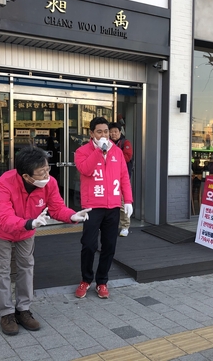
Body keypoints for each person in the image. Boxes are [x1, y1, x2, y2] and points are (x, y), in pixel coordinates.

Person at [0, 146, 91, 336]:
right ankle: (6, 313)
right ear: (26, 176)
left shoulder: (49, 183)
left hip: (27, 230)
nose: (46, 174)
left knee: (26, 267)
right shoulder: (5, 183)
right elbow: (3, 217)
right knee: (1, 270)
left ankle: (23, 310)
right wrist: (29, 222)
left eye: (47, 169)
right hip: (2, 230)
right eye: (41, 172)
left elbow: (57, 207)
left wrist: (72, 216)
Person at [74, 117, 133, 299]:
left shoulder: (117, 152)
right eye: (99, 132)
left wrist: (128, 200)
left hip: (113, 205)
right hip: (92, 207)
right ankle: (86, 279)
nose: (104, 135)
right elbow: (86, 170)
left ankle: (102, 281)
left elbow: (124, 177)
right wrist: (99, 151)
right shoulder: (82, 151)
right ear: (91, 134)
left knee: (109, 246)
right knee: (89, 245)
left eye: (106, 132)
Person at [109, 122, 134, 237]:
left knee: (123, 203)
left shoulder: (125, 143)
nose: (113, 134)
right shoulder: (106, 143)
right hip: (108, 178)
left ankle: (125, 227)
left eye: (115, 131)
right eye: (111, 131)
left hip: (122, 179)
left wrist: (111, 156)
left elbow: (127, 157)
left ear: (120, 132)